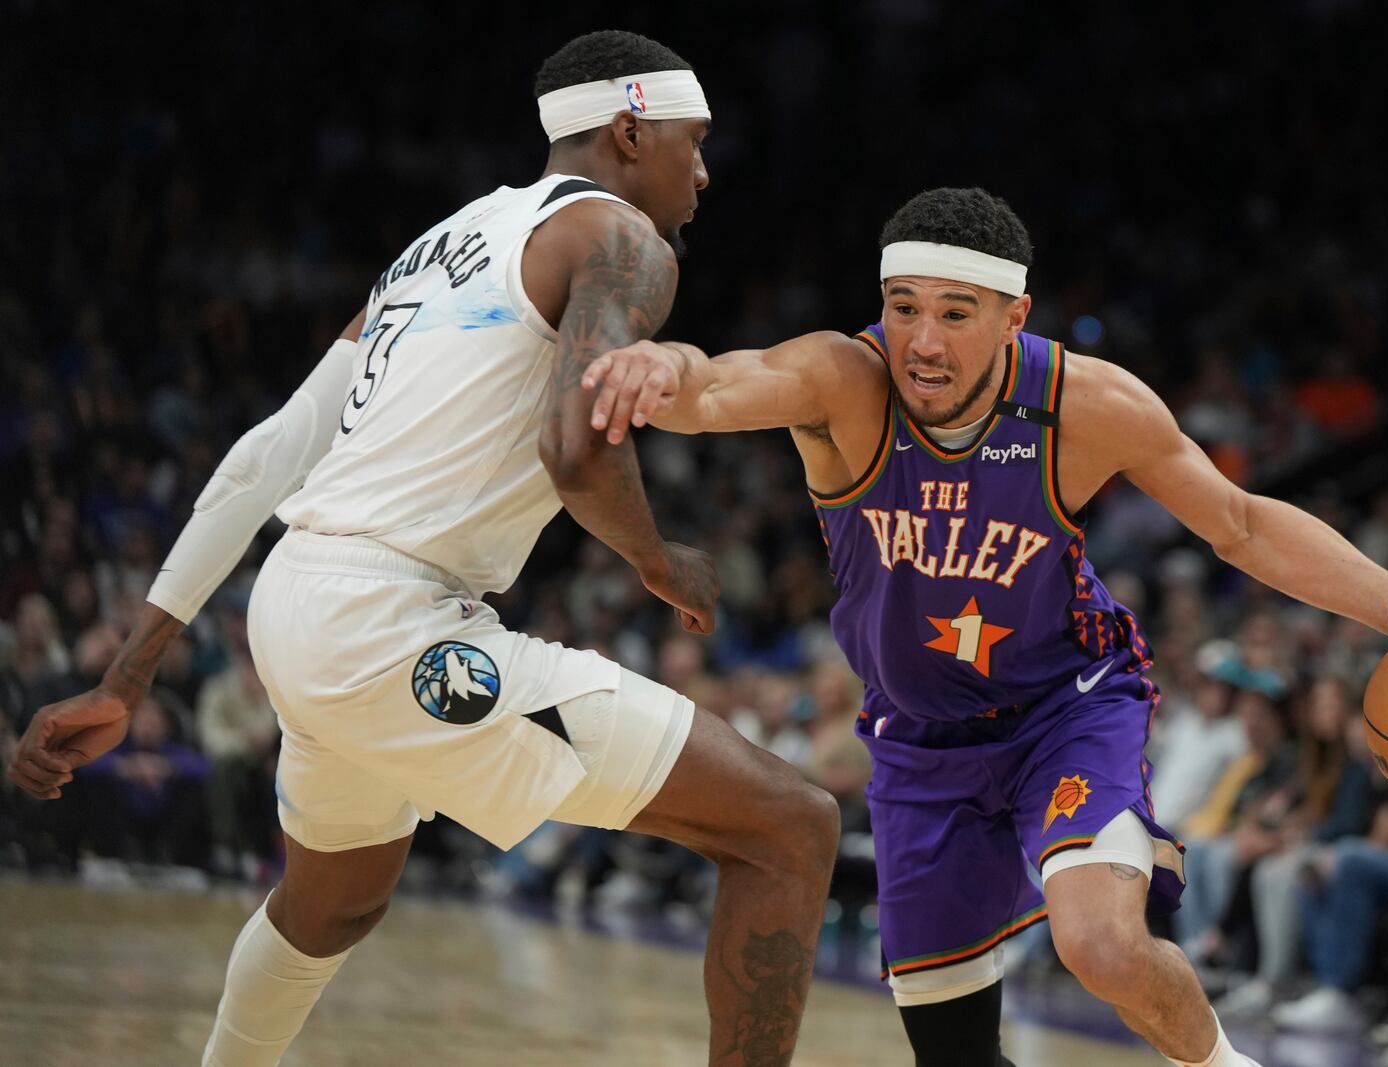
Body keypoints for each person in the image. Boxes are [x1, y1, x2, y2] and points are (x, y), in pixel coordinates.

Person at [7, 30, 839, 1067]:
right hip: (389, 626)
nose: (705, 171)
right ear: (630, 131)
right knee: (790, 825)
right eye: (693, 141)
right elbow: (575, 451)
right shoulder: (621, 240)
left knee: (334, 902)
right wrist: (659, 558)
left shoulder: (436, 247)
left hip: (301, 606)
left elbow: (265, 456)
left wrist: (128, 673)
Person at [581, 186, 1388, 1067]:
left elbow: (1241, 522)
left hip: (1064, 709)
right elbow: (724, 384)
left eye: (955, 312)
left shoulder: (1085, 405)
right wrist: (666, 365)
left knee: (1100, 944)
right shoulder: (845, 382)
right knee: (953, 1053)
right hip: (916, 741)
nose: (922, 340)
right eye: (903, 307)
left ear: (1014, 317)